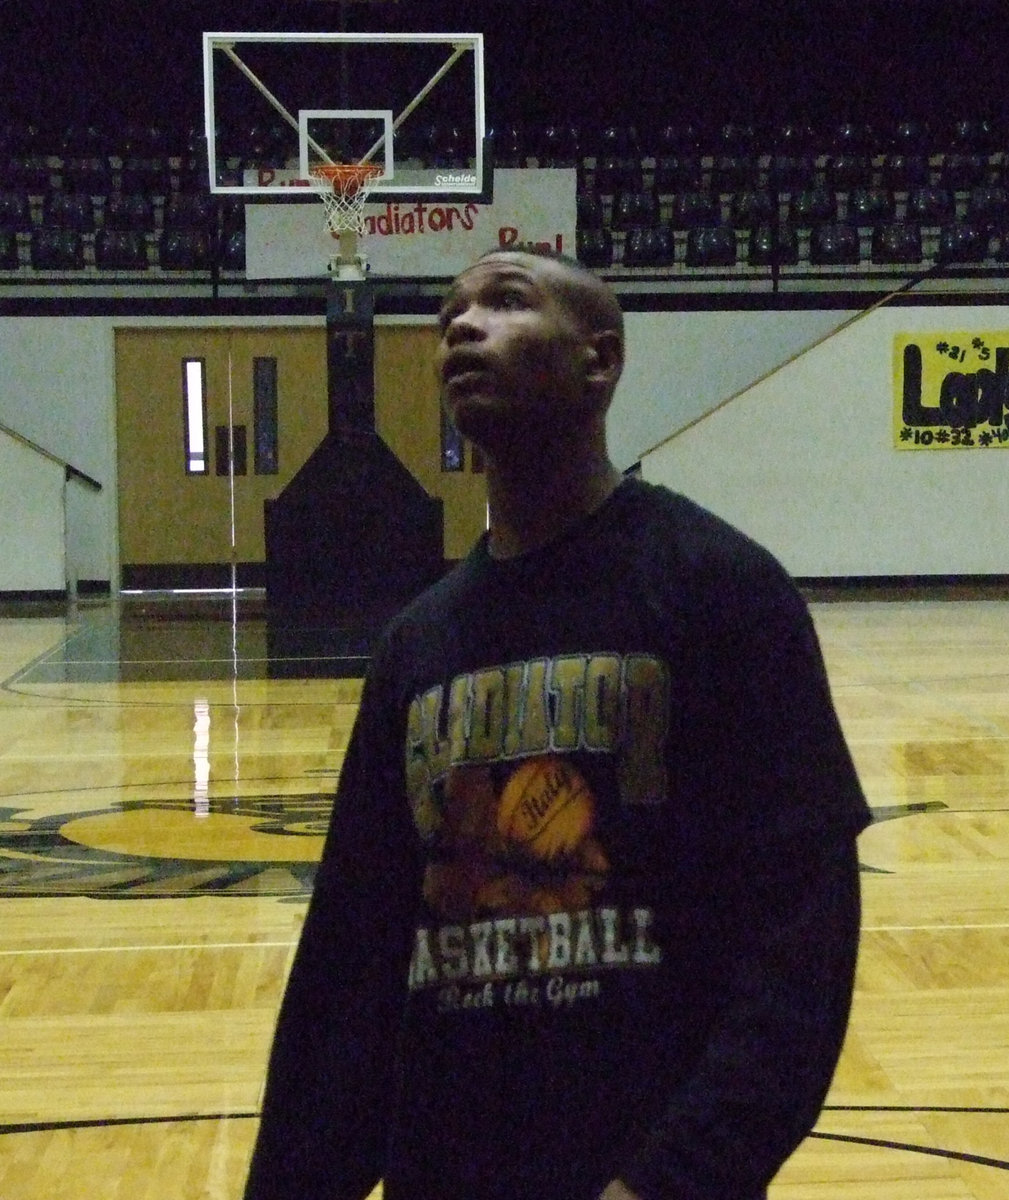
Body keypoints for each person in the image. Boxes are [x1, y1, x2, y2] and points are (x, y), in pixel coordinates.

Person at [243, 247, 872, 1200]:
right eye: (450, 312)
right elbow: (350, 966)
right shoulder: (416, 646)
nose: (460, 324)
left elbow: (800, 943)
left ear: (599, 360)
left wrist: (672, 1182)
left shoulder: (720, 590)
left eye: (505, 301)